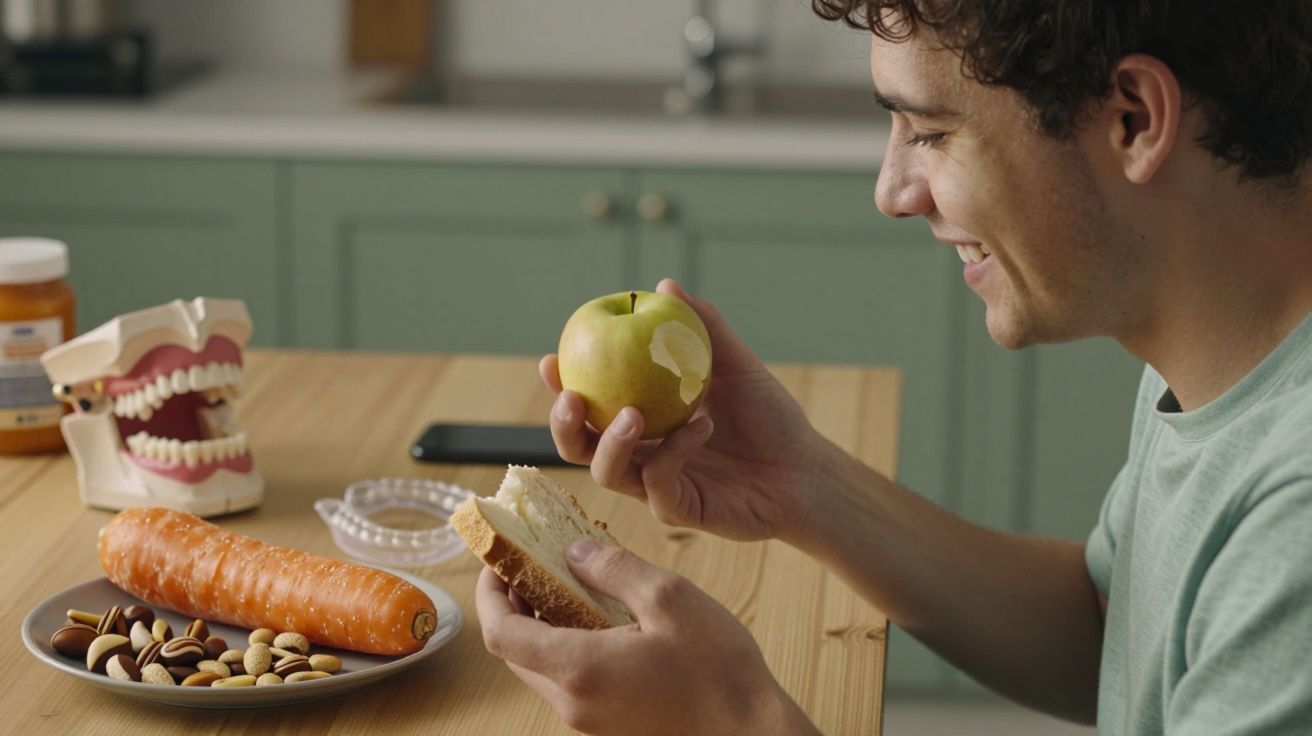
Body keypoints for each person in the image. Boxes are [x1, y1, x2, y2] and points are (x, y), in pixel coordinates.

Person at [475, 1, 1312, 733]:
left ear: (1133, 119)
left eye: (932, 131)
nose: (893, 189)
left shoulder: (1296, 529)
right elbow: (1113, 633)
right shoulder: (1229, 350)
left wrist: (731, 721)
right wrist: (804, 485)